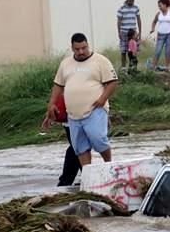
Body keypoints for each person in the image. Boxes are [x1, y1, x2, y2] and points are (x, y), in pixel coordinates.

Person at [47, 33, 119, 167]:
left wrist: (103, 99)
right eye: (77, 49)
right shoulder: (65, 63)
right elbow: (58, 85)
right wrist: (51, 104)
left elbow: (113, 82)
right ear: (72, 48)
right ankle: (87, 173)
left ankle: (109, 165)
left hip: (95, 109)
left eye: (84, 48)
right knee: (80, 146)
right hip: (73, 114)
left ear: (88, 45)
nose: (81, 52)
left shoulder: (100, 60)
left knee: (98, 139)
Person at [40, 94, 81, 187]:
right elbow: (58, 89)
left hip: (86, 112)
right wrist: (51, 111)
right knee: (77, 148)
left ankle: (66, 181)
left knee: (77, 148)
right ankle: (67, 181)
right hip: (71, 115)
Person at [148, 0, 170, 71]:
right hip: (160, 35)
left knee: (167, 51)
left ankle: (167, 67)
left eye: (160, 5)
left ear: (165, 5)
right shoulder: (158, 14)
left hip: (169, 35)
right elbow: (154, 21)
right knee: (158, 50)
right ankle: (153, 66)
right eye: (159, 6)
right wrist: (152, 29)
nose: (159, 7)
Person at [116, 0, 141, 70]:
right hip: (124, 32)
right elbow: (119, 21)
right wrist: (119, 32)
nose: (131, 2)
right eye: (130, 0)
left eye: (132, 1)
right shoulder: (121, 9)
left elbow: (139, 19)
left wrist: (140, 32)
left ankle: (133, 67)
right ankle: (123, 67)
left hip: (133, 33)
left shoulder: (136, 8)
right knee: (123, 50)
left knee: (133, 50)